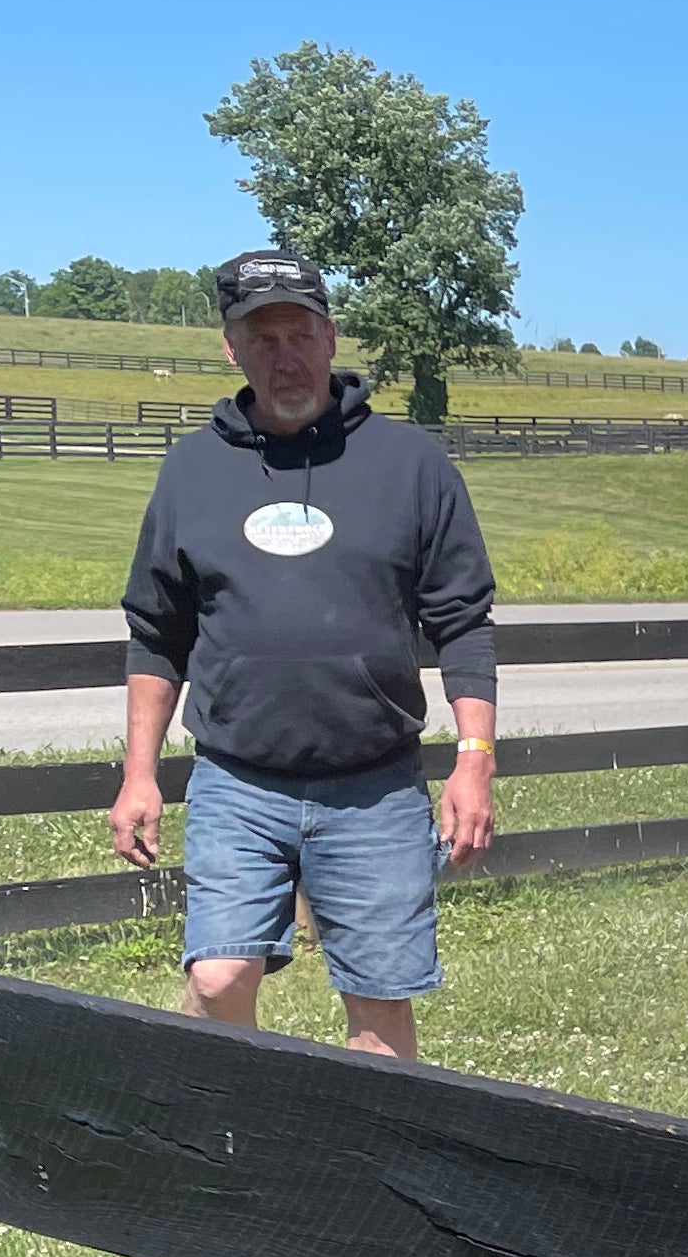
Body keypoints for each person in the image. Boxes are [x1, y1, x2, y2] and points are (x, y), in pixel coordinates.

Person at [112, 253, 499, 1060]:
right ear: (231, 349)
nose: (284, 357)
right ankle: (235, 1125)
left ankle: (368, 1141)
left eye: (299, 335)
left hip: (374, 787)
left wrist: (474, 760)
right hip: (238, 782)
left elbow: (463, 621)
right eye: (263, 340)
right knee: (218, 978)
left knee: (379, 1011)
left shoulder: (411, 466)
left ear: (331, 337)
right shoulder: (191, 469)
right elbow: (156, 633)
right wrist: (139, 774)